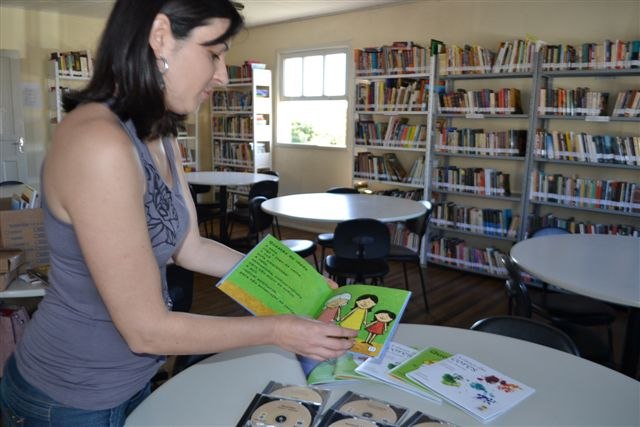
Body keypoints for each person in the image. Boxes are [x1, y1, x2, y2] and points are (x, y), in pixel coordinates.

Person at [0, 1, 357, 425]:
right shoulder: (97, 143)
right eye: (214, 53)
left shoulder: (159, 133)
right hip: (69, 397)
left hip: (130, 381)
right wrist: (278, 328)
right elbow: (145, 330)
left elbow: (191, 246)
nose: (222, 75)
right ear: (161, 36)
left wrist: (301, 286)